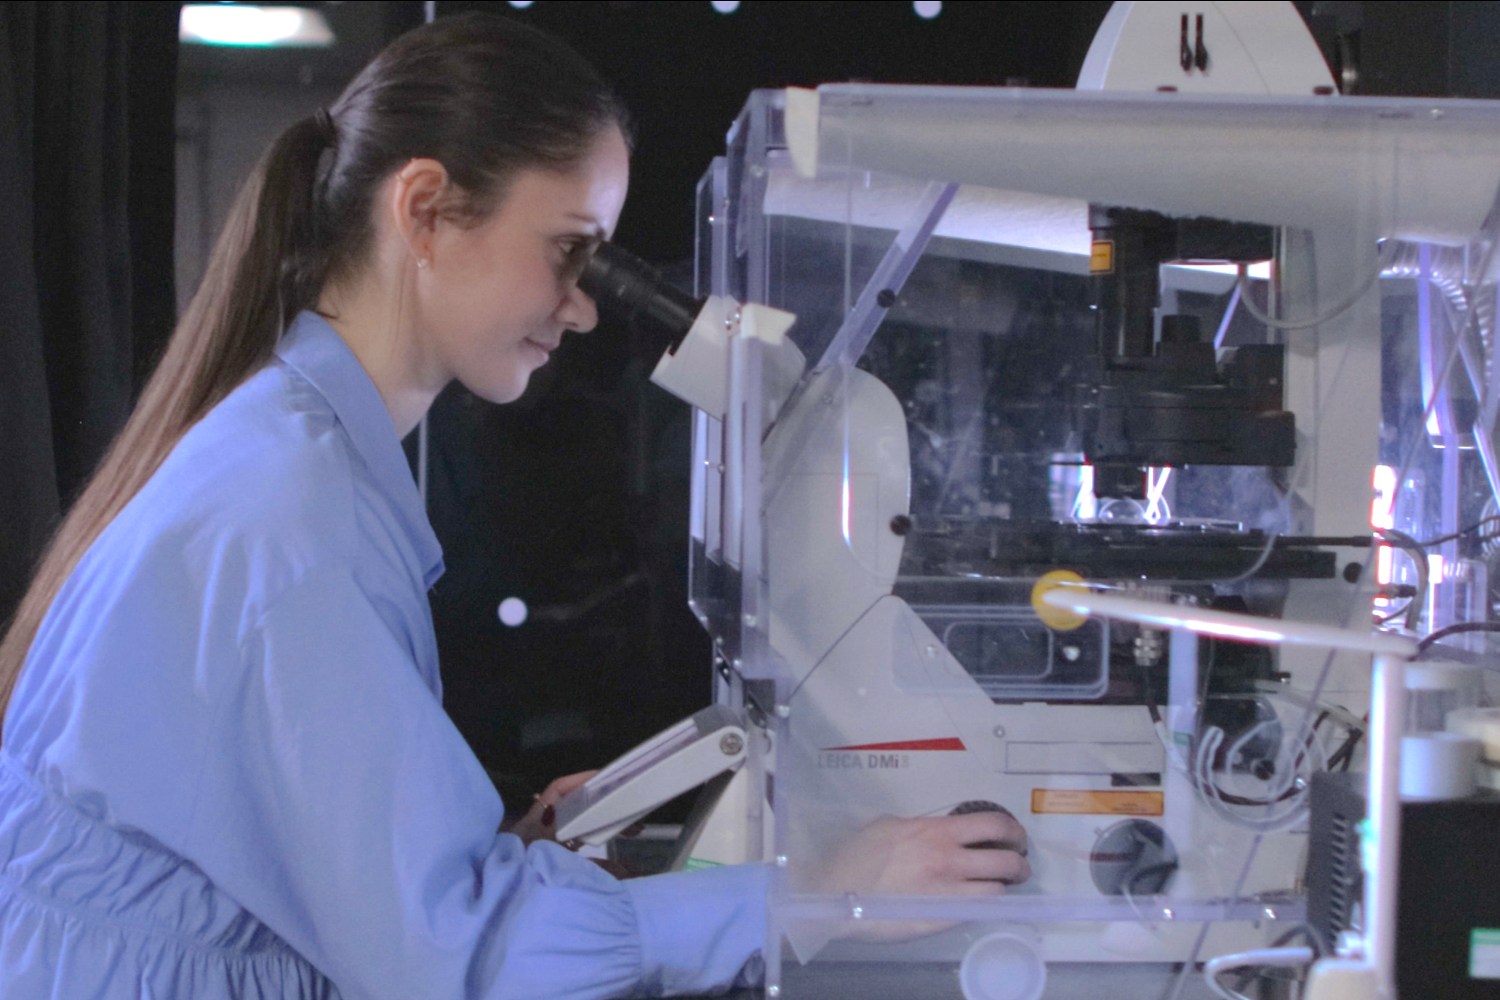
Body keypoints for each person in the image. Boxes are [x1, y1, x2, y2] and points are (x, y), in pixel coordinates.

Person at [0, 13, 1029, 999]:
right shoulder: (290, 515)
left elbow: (317, 870)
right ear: (424, 209)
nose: (583, 309)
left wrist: (497, 852)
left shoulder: (294, 454)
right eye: (570, 252)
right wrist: (816, 894)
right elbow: (454, 965)